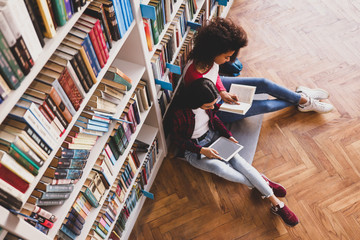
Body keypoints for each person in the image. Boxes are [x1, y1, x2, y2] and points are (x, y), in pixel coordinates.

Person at [171, 78, 299, 227]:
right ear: (196, 101)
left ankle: (277, 204)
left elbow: (216, 120)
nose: (212, 107)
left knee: (239, 162)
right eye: (209, 105)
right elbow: (177, 140)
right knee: (221, 169)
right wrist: (202, 150)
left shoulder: (209, 106)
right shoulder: (179, 114)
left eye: (213, 104)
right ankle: (262, 182)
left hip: (214, 137)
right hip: (193, 149)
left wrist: (228, 135)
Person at [183, 17, 333, 123]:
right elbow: (204, 106)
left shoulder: (208, 60)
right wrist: (222, 100)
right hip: (216, 110)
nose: (228, 60)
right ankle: (303, 99)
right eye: (226, 56)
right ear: (212, 51)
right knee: (265, 105)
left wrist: (222, 91)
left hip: (217, 90)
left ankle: (303, 99)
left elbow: (214, 76)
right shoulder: (195, 77)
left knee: (263, 83)